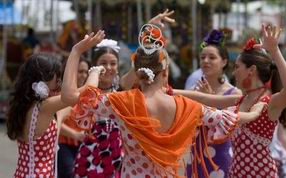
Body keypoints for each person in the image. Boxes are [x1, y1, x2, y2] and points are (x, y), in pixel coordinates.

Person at [61, 12, 265, 177]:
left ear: (138, 72)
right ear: (165, 72)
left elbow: (71, 96)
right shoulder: (184, 106)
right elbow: (231, 117)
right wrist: (256, 109)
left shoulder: (121, 102)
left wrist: (78, 54)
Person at [175, 24, 286, 177]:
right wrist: (169, 91)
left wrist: (275, 50)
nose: (234, 72)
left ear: (251, 71)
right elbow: (204, 97)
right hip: (235, 172)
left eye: (237, 67)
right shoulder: (240, 99)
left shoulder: (268, 103)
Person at [185, 29, 241, 178]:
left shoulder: (234, 94)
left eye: (212, 57)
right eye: (202, 57)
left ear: (224, 61)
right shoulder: (192, 91)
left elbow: (230, 126)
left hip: (221, 155)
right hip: (195, 154)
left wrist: (209, 98)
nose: (205, 61)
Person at [71, 39, 125, 178]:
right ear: (95, 66)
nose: (108, 67)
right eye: (103, 63)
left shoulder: (123, 93)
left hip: (118, 157)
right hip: (90, 158)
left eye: (113, 63)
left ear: (118, 67)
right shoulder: (86, 93)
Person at [6, 53, 65, 177]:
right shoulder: (43, 106)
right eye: (57, 75)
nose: (58, 80)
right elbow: (74, 96)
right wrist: (93, 70)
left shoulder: (24, 105)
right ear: (46, 77)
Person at [57, 58, 90, 178]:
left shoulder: (89, 94)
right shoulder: (60, 94)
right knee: (68, 173)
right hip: (63, 143)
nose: (83, 75)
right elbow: (54, 122)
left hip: (84, 143)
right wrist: (75, 134)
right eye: (80, 71)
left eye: (86, 72)